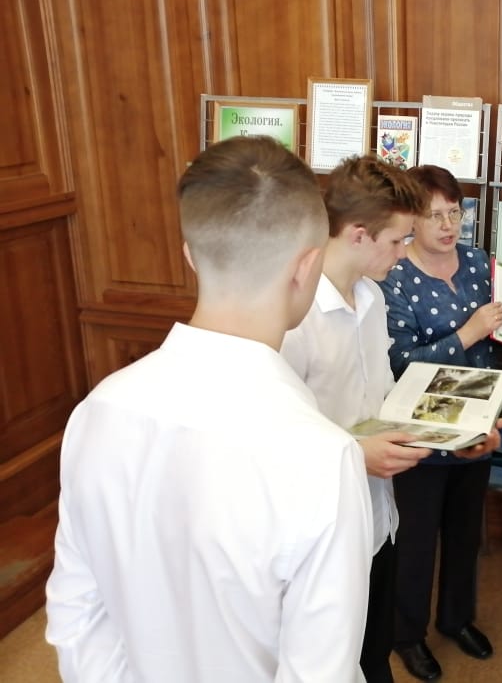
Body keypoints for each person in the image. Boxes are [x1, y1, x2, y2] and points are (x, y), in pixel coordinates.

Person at [45, 136, 374, 681]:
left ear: (190, 256)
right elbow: (319, 672)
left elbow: (78, 619)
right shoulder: (324, 457)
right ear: (307, 267)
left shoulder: (96, 411)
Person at [280, 154, 433, 683]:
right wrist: (352, 453)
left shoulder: (373, 296)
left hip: (379, 515)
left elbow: (379, 402)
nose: (404, 252)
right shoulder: (294, 317)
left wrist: (455, 431)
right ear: (358, 235)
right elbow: (272, 438)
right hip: (321, 527)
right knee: (331, 660)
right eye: (397, 240)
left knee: (374, 649)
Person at [378, 164, 502, 681]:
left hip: (477, 422)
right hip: (421, 429)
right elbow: (399, 363)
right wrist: (467, 334)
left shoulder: (478, 263)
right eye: (434, 215)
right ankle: (406, 635)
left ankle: (457, 619)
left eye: (455, 212)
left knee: (463, 531)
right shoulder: (394, 276)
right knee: (415, 540)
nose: (448, 225)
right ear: (411, 218)